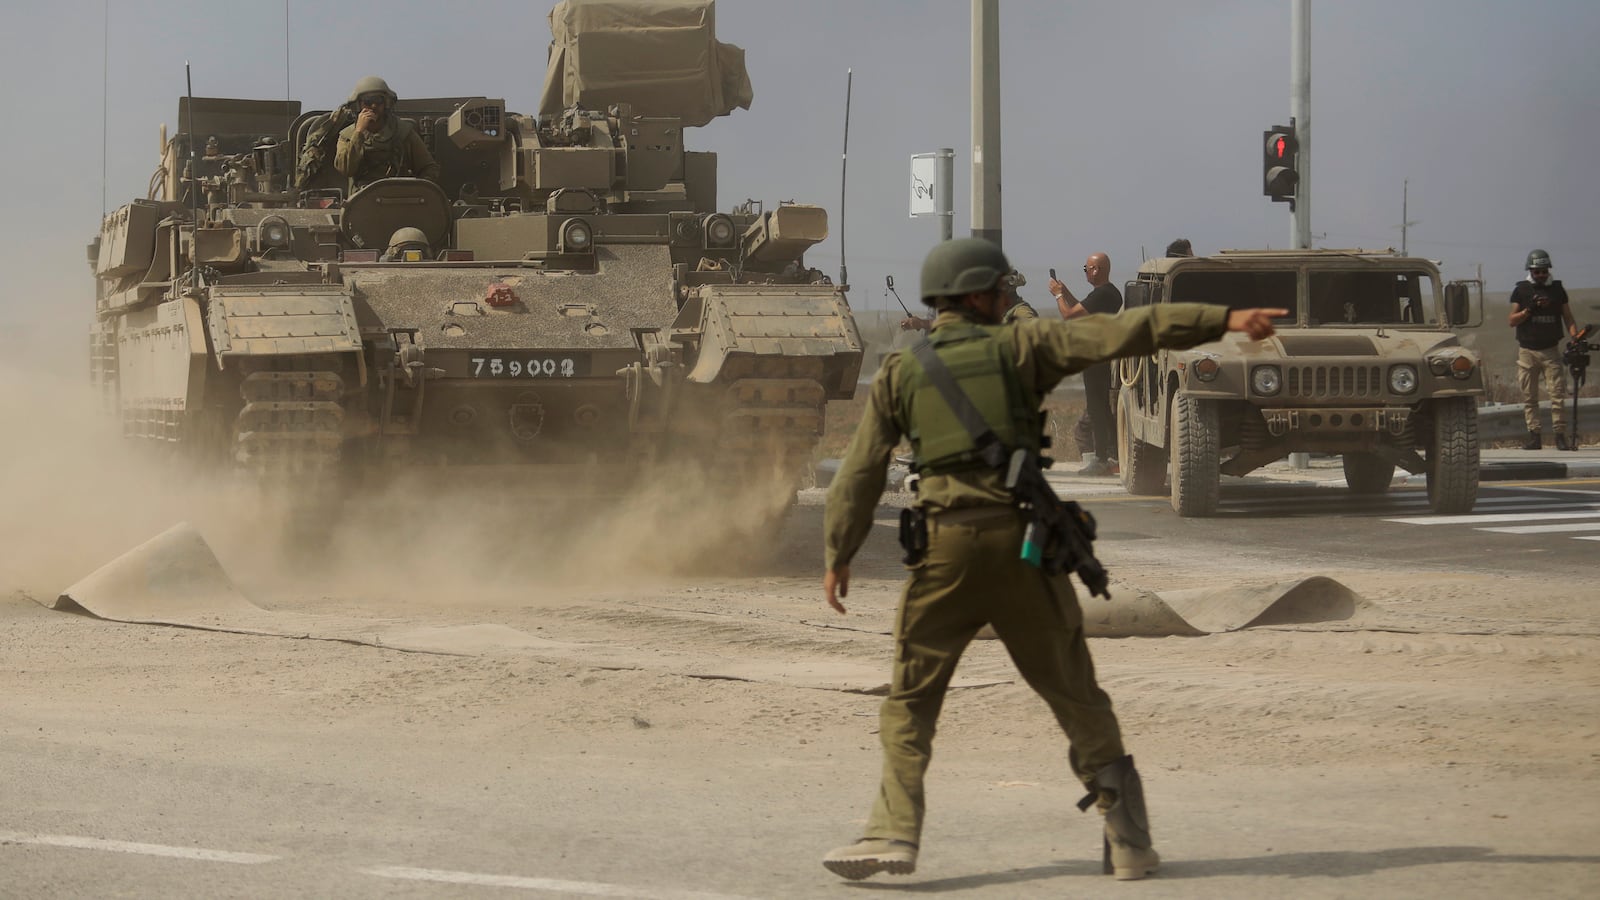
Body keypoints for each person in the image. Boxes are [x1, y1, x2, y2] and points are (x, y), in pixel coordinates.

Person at [820, 237, 1284, 882]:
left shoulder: (902, 371)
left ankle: (894, 831)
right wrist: (1224, 320)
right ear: (981, 296)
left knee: (910, 700)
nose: (1009, 299)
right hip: (1024, 550)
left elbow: (860, 472)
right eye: (1002, 291)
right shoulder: (1024, 347)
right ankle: (1128, 842)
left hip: (943, 555)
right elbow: (1128, 330)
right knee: (1076, 695)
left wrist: (839, 552)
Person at [1049, 253, 1123, 475]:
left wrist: (1058, 295)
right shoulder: (1106, 294)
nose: (1086, 272)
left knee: (1097, 408)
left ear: (1096, 270)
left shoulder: (1104, 294)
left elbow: (1070, 315)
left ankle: (1102, 458)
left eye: (1087, 268)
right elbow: (1081, 308)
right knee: (1101, 408)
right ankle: (1112, 456)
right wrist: (1067, 292)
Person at [1508, 249, 1579, 450]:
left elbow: (1568, 317)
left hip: (1550, 349)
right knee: (1529, 396)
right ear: (1530, 270)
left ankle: (1559, 436)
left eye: (1544, 271)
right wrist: (1530, 309)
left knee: (1557, 395)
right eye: (1537, 271)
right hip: (1527, 351)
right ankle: (1534, 436)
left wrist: (1575, 338)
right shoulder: (1521, 290)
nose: (1541, 275)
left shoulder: (1557, 290)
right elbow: (1511, 321)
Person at [334, 76, 441, 193]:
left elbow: (429, 168)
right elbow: (345, 169)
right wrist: (358, 132)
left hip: (399, 200)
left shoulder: (403, 132)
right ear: (358, 105)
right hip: (361, 203)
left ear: (386, 103)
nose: (374, 106)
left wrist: (416, 190)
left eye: (378, 101)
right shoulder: (347, 136)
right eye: (368, 101)